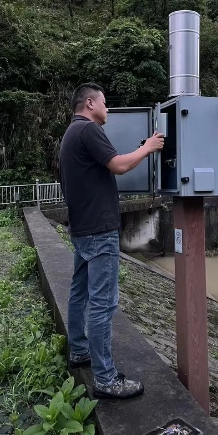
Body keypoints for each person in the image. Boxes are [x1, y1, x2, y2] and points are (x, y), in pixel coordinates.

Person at [59, 82, 164, 399]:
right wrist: (148, 147)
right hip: (98, 230)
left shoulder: (70, 134)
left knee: (79, 294)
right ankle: (105, 379)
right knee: (103, 304)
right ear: (90, 103)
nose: (108, 109)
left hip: (82, 229)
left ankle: (79, 351)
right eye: (105, 103)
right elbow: (118, 165)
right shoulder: (89, 131)